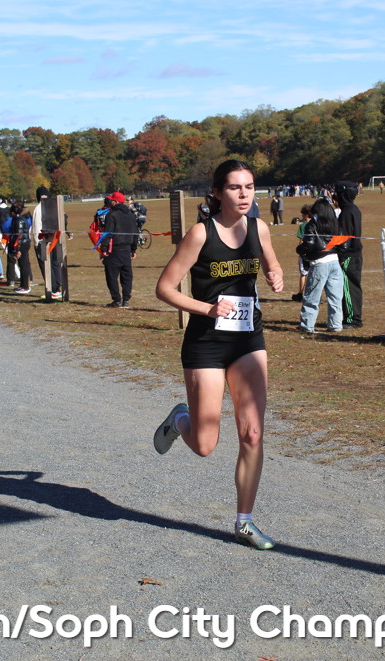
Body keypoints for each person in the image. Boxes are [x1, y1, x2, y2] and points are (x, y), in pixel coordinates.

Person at [153, 159, 283, 550]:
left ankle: (245, 522)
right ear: (217, 192)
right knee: (205, 445)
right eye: (235, 187)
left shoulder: (259, 228)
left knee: (253, 433)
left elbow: (272, 263)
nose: (244, 194)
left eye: (249, 186)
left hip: (247, 340)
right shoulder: (200, 233)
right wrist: (207, 308)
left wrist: (275, 275)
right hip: (206, 343)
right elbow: (165, 288)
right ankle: (180, 419)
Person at [296, 198, 343, 334]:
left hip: (319, 263)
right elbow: (343, 243)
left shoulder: (312, 225)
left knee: (312, 296)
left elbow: (309, 244)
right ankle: (335, 325)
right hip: (334, 262)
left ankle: (307, 325)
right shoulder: (335, 223)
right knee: (335, 297)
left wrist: (299, 250)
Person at [99, 192, 138, 307]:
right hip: (127, 248)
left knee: (111, 276)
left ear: (115, 202)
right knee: (127, 276)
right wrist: (133, 250)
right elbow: (135, 233)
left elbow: (108, 233)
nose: (110, 202)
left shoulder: (111, 215)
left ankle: (116, 300)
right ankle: (126, 300)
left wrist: (104, 248)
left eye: (111, 200)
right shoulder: (131, 215)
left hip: (114, 249)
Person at [335, 181, 364, 328]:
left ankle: (352, 319)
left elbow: (344, 237)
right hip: (356, 253)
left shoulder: (346, 212)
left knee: (348, 286)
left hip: (349, 255)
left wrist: (341, 256)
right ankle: (354, 316)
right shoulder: (354, 209)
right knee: (354, 286)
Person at [30, 187, 63, 299]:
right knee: (55, 263)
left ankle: (52, 288)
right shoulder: (55, 206)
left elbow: (37, 227)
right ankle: (57, 287)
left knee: (45, 264)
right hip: (56, 239)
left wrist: (36, 242)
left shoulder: (38, 208)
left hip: (44, 241)